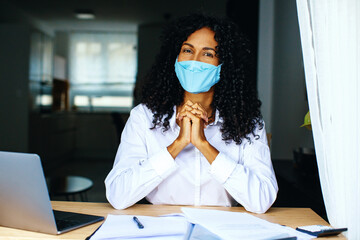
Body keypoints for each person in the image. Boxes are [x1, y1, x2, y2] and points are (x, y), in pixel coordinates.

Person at [105, 13, 278, 213]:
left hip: (223, 228)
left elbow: (262, 199)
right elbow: (118, 195)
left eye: (207, 54)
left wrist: (204, 145)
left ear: (225, 65)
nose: (194, 61)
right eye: (188, 50)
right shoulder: (143, 117)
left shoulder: (247, 121)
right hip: (162, 228)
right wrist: (178, 144)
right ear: (175, 57)